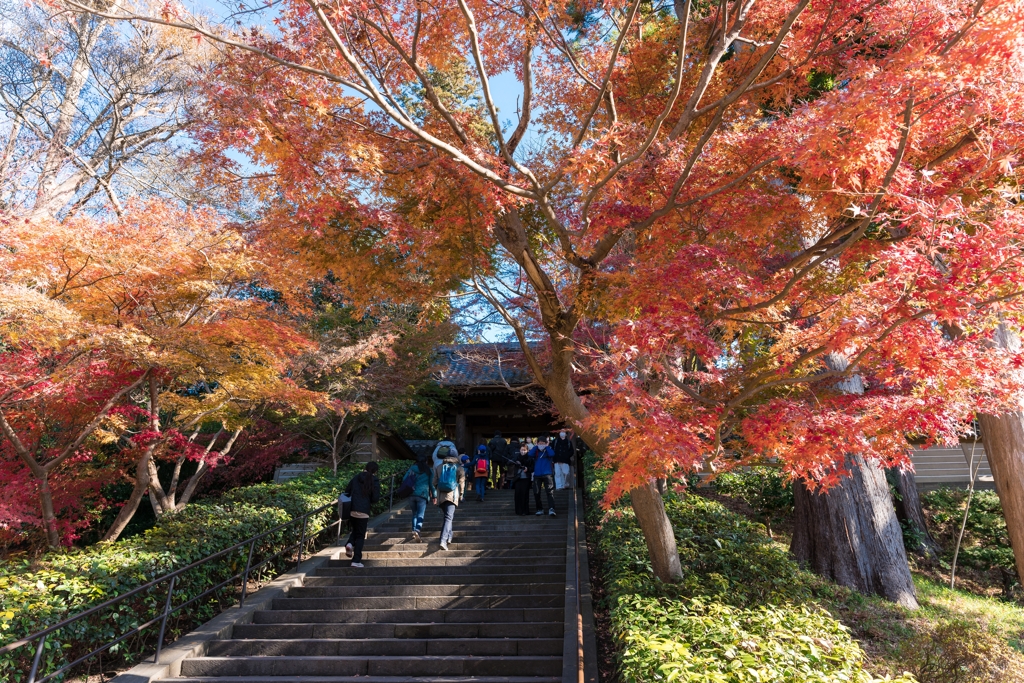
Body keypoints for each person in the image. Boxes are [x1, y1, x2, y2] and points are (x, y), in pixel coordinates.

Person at [343, 461, 381, 568]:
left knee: (355, 529)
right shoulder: (374, 480)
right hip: (363, 511)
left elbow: (347, 490)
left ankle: (350, 544)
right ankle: (356, 560)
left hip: (352, 509)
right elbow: (375, 498)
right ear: (375, 471)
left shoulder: (356, 477)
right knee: (360, 536)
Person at [433, 445, 466, 550]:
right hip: (452, 496)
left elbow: (434, 482)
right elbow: (461, 484)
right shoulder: (459, 468)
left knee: (447, 517)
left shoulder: (439, 467)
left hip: (441, 496)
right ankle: (443, 540)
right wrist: (461, 495)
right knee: (448, 518)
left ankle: (449, 536)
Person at [403, 455, 435, 540]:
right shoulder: (429, 470)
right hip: (422, 495)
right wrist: (434, 496)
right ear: (426, 461)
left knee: (414, 514)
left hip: (411, 494)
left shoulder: (412, 468)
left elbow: (404, 479)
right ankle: (417, 530)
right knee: (420, 514)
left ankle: (414, 531)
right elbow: (431, 484)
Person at [529, 437, 556, 516]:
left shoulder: (548, 450)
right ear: (537, 443)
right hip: (537, 474)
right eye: (539, 443)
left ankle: (551, 508)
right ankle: (539, 509)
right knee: (536, 492)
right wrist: (536, 447)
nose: (541, 445)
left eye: (542, 443)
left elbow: (552, 454)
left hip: (547, 474)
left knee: (549, 492)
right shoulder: (536, 451)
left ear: (546, 443)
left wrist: (546, 447)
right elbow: (529, 454)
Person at [510, 443, 533, 515]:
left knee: (525, 495)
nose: (523, 451)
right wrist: (515, 463)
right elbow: (509, 462)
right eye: (521, 450)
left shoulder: (530, 458)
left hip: (526, 479)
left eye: (524, 450)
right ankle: (518, 511)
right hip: (518, 479)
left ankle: (525, 511)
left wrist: (527, 468)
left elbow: (532, 468)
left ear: (527, 450)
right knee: (517, 495)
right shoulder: (517, 457)